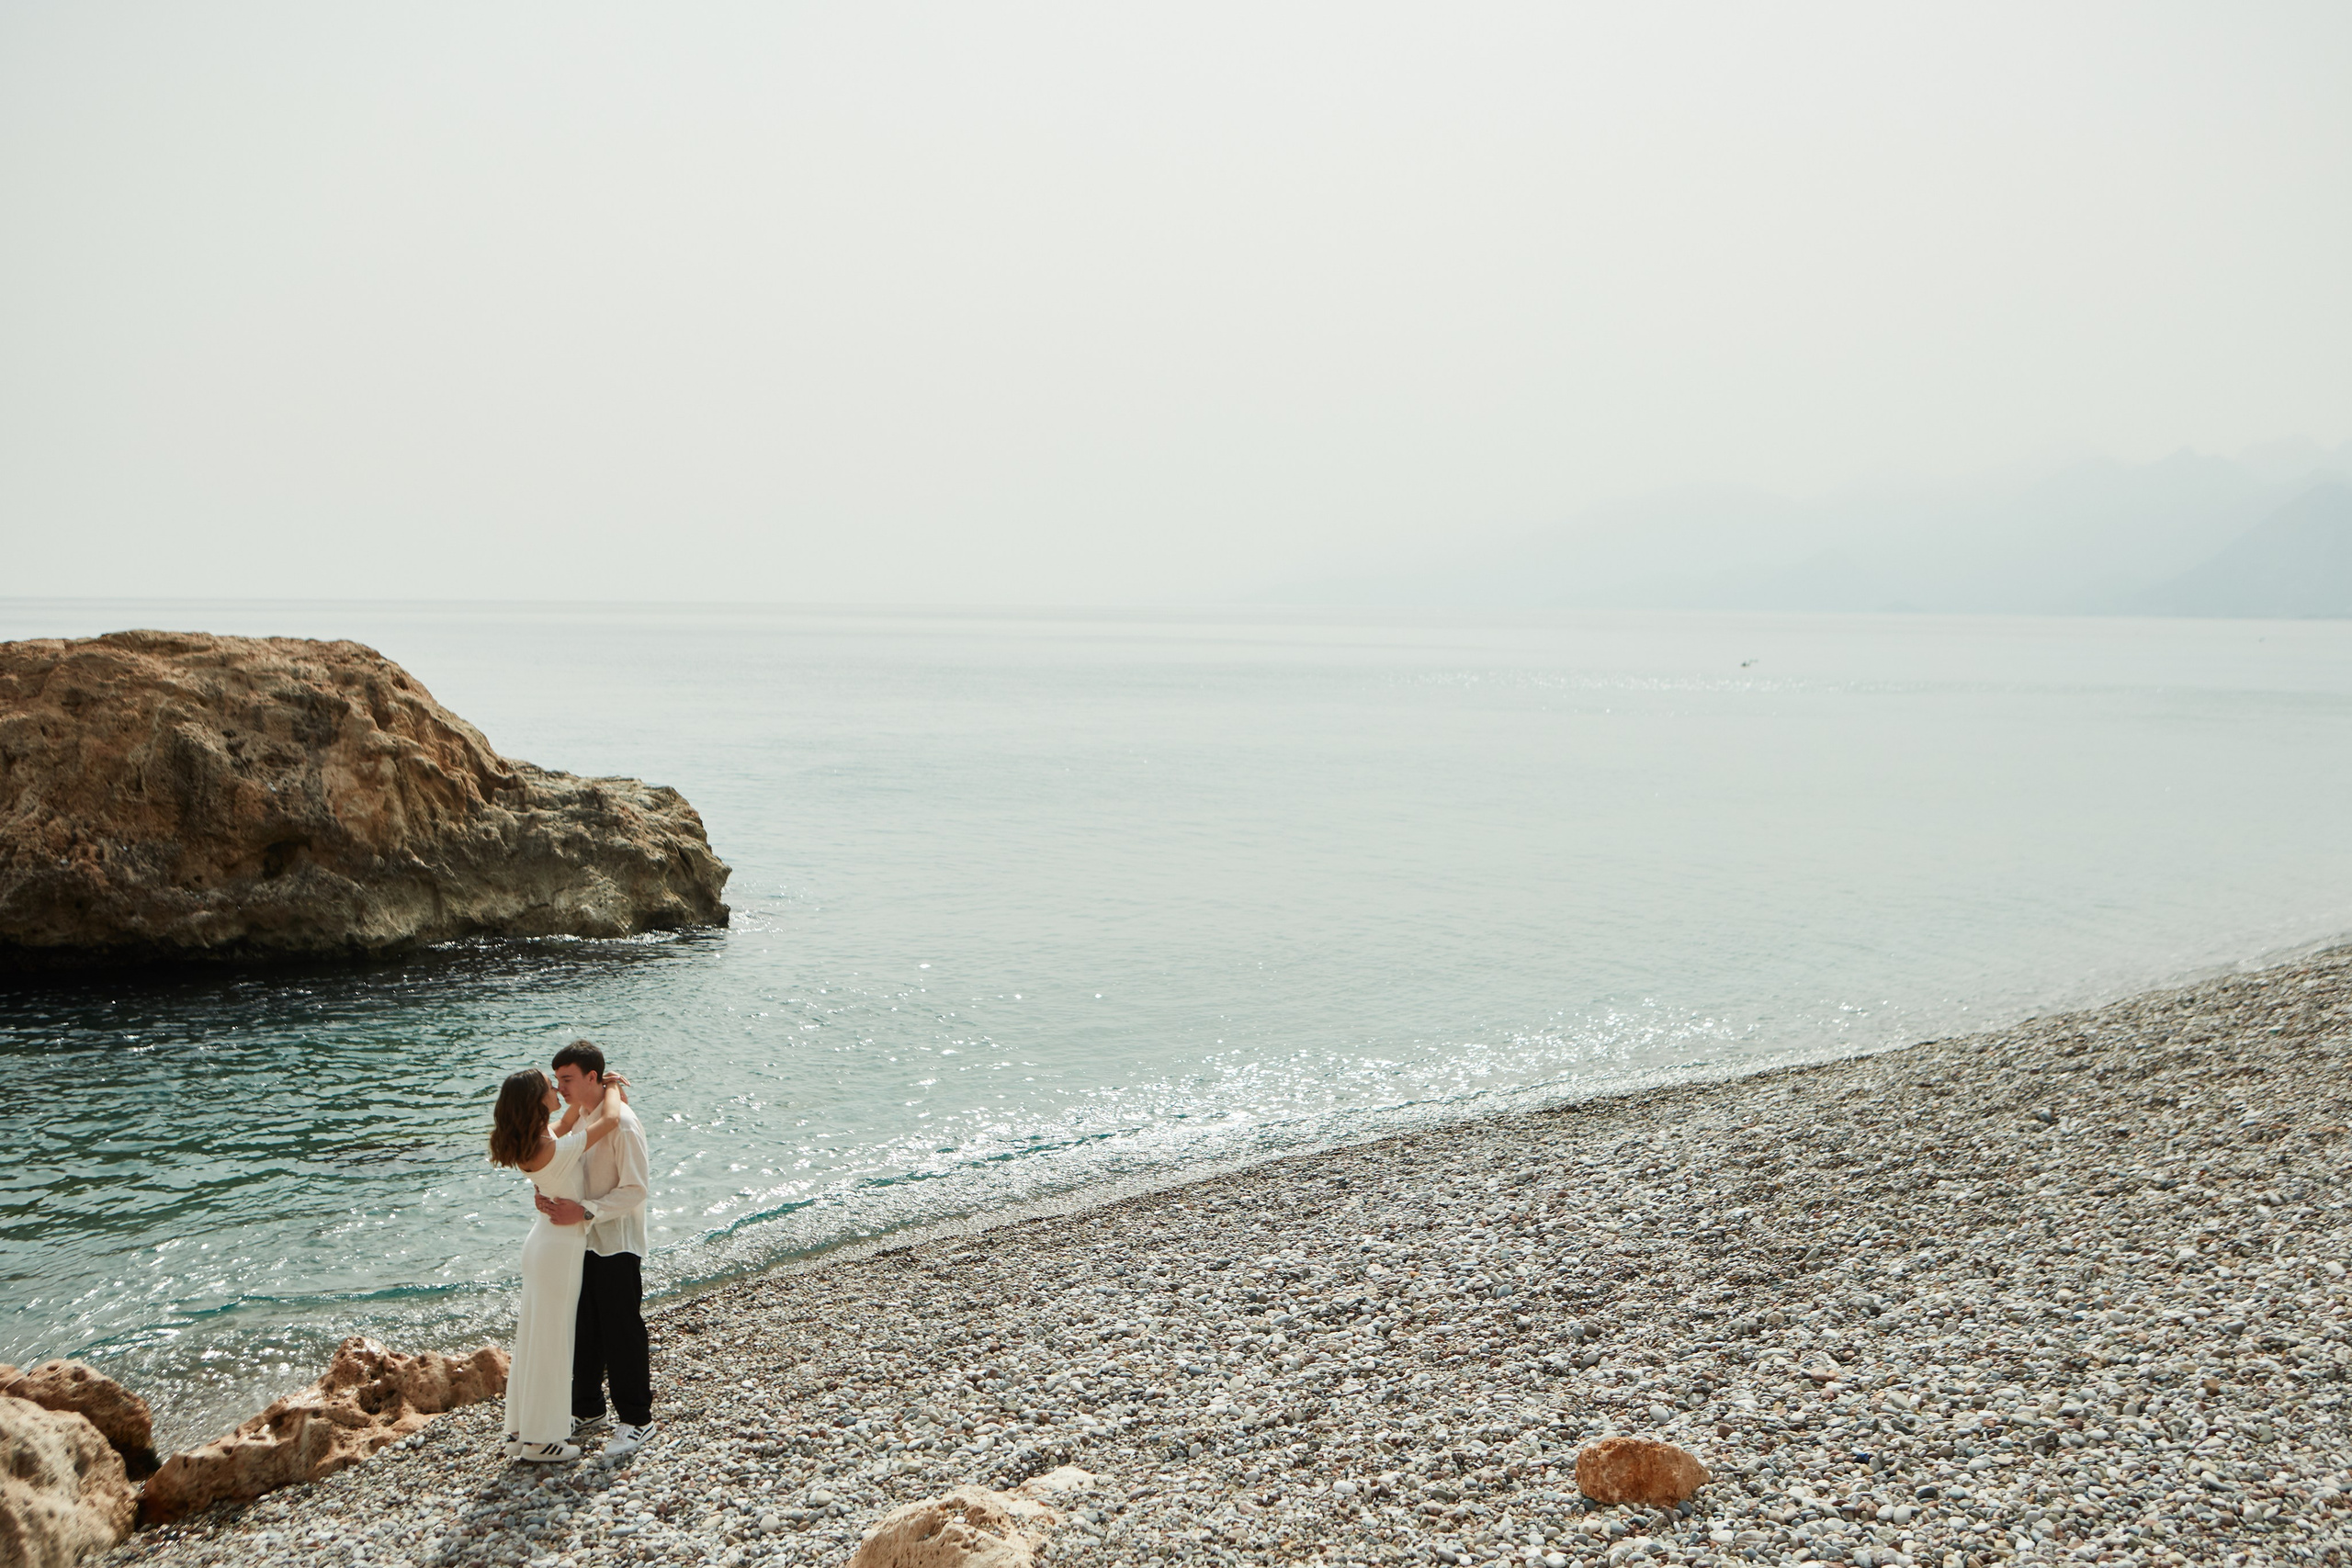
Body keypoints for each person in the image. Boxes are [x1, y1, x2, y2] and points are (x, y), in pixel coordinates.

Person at [486, 1066, 631, 1462]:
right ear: (536, 1101)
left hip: (540, 1244)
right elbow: (612, 1118)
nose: (556, 1089)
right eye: (549, 1086)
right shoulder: (553, 1147)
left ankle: (521, 1430)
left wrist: (588, 1092)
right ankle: (543, 1441)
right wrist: (611, 1085)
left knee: (533, 1338)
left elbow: (569, 1118)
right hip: (559, 1250)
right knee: (553, 1342)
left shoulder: (537, 1139)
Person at [534, 1039, 656, 1460]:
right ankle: (587, 1409)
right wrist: (548, 1195)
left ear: (592, 1078)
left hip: (616, 1242)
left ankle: (639, 1420)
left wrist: (584, 1212)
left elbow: (636, 1189)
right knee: (583, 1327)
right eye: (557, 1080)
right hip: (579, 1241)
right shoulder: (586, 1116)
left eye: (567, 1079)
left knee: (621, 1330)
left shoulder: (620, 1123)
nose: (561, 1087)